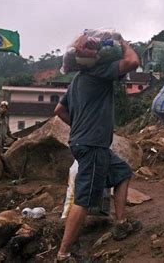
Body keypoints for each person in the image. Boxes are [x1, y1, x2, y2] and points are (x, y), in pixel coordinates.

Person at [54, 39, 141, 261]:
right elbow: (132, 61)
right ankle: (63, 254)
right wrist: (122, 41)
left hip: (89, 144)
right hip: (92, 146)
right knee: (84, 199)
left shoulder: (77, 80)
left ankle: (121, 224)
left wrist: (80, 126)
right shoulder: (99, 72)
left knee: (122, 172)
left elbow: (59, 110)